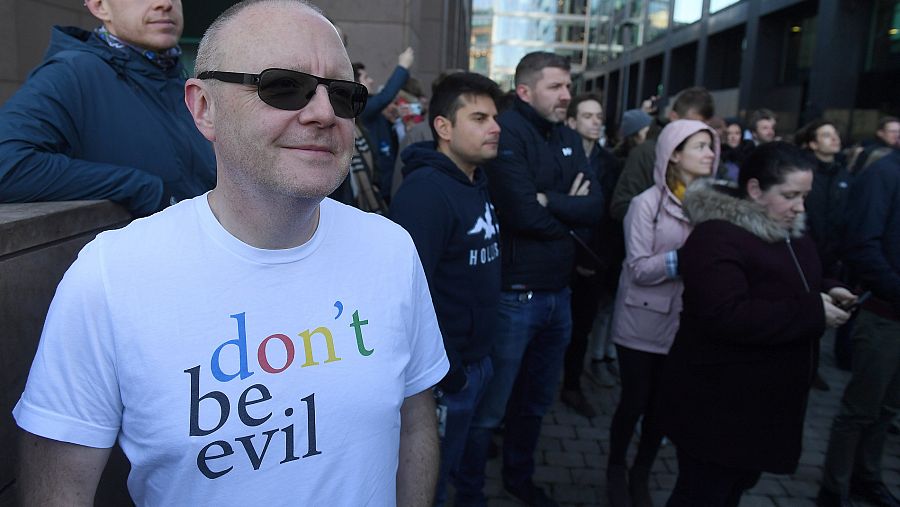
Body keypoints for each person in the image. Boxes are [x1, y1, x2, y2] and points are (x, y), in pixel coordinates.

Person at [12, 1, 448, 505]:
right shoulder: (108, 277)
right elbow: (58, 486)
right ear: (204, 108)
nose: (324, 113)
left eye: (344, 94)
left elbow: (415, 424)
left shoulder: (391, 248)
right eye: (283, 87)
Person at [660, 142, 853, 507]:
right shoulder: (716, 236)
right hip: (718, 408)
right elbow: (725, 314)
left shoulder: (790, 229)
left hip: (761, 408)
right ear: (754, 190)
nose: (800, 207)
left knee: (731, 491)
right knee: (703, 494)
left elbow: (796, 277)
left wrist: (830, 288)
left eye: (805, 196)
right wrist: (813, 312)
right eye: (790, 196)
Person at [454, 51, 603, 507]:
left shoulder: (568, 136)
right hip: (514, 298)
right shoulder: (507, 132)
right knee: (490, 410)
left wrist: (549, 201)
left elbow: (594, 206)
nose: (567, 95)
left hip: (560, 294)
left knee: (535, 404)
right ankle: (470, 494)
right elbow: (521, 212)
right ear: (524, 91)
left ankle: (519, 480)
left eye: (568, 86)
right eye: (556, 87)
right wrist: (565, 210)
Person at [390, 71, 503, 507]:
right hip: (448, 376)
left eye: (494, 117)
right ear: (443, 127)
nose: (494, 127)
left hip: (478, 361)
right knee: (430, 481)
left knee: (467, 464)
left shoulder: (475, 181)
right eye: (479, 118)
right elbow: (410, 294)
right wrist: (451, 372)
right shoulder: (424, 195)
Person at [0, 0, 216, 217]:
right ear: (100, 6)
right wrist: (141, 188)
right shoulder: (71, 74)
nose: (164, 3)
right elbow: (8, 165)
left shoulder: (177, 80)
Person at [606, 119, 719, 507]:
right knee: (634, 401)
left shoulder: (713, 206)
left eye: (710, 146)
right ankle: (615, 469)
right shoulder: (646, 205)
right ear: (674, 154)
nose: (710, 154)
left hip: (686, 324)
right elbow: (638, 268)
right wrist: (687, 258)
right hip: (641, 321)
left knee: (663, 407)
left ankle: (641, 473)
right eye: (700, 146)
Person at [817, 149, 900, 507]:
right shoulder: (883, 174)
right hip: (883, 314)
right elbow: (862, 244)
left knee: (887, 409)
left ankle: (867, 477)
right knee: (860, 409)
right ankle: (833, 489)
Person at [560, 93, 622, 414]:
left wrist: (597, 261)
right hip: (559, 258)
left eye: (599, 116)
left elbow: (609, 218)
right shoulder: (557, 158)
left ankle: (571, 385)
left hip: (594, 258)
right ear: (571, 121)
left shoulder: (610, 164)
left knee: (581, 329)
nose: (596, 122)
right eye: (588, 116)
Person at [609, 87, 715, 222]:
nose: (698, 130)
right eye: (691, 123)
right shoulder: (645, 153)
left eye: (705, 126)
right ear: (674, 117)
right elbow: (621, 206)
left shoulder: (711, 154)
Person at [354, 47, 415, 201]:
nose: (371, 81)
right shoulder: (361, 107)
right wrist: (403, 66)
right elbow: (385, 96)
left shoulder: (373, 108)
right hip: (379, 185)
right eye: (366, 77)